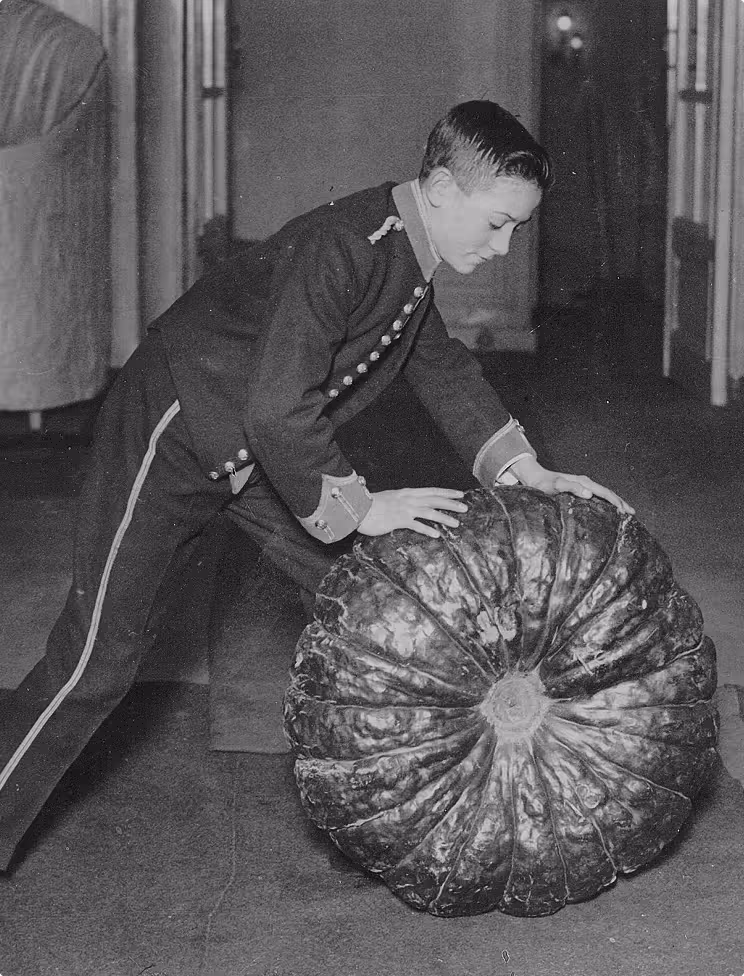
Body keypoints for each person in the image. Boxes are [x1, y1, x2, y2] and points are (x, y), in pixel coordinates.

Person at [0, 100, 633, 872]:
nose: (503, 247)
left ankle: (424, 806)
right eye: (497, 223)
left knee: (365, 607)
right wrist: (361, 505)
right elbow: (276, 406)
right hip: (177, 427)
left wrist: (525, 468)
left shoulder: (409, 262)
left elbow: (440, 370)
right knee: (96, 664)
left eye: (516, 230)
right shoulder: (347, 246)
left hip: (261, 451)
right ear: (439, 191)